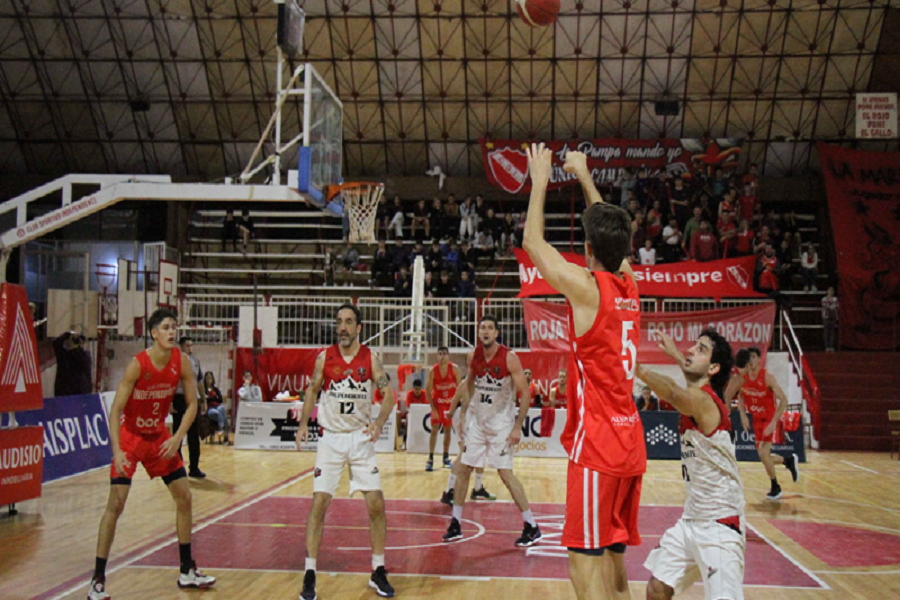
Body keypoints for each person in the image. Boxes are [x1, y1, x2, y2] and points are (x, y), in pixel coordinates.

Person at [523, 145, 643, 600]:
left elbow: (535, 245)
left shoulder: (590, 291)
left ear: (588, 249)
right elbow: (612, 233)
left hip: (598, 449)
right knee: (615, 565)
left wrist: (540, 181)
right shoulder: (629, 282)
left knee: (582, 568)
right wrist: (584, 175)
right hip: (629, 444)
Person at [88, 309, 215, 600]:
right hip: (131, 439)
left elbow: (193, 405)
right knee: (116, 504)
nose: (172, 332)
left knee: (184, 496)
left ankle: (187, 570)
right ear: (154, 333)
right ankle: (97, 579)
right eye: (166, 327)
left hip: (159, 438)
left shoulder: (181, 362)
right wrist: (117, 450)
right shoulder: (137, 365)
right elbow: (115, 410)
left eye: (174, 327)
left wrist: (177, 437)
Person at [291, 304, 396, 600]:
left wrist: (378, 422)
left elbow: (389, 394)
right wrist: (303, 424)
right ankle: (310, 574)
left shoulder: (370, 359)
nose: (343, 327)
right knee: (319, 503)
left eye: (349, 322)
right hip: (331, 439)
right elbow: (312, 390)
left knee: (376, 504)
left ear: (359, 327)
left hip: (360, 439)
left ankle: (378, 570)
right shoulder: (324, 358)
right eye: (340, 322)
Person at [639, 329, 746, 600]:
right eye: (693, 347)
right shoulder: (699, 390)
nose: (690, 351)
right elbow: (689, 381)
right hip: (691, 519)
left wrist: (637, 370)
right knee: (657, 589)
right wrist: (676, 354)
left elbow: (676, 393)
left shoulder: (707, 401)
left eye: (700, 349)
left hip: (720, 524)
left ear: (713, 367)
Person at [441, 315, 540, 546]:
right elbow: (469, 384)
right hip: (479, 422)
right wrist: (465, 413)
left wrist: (517, 426)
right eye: (482, 327)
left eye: (490, 328)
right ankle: (455, 523)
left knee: (505, 474)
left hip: (501, 424)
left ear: (496, 333)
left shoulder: (509, 358)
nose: (485, 331)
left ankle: (531, 525)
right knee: (463, 469)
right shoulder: (473, 355)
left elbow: (525, 393)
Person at [725, 347, 799, 500]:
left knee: (763, 453)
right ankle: (788, 460)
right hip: (756, 418)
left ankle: (775, 486)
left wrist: (774, 422)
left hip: (769, 418)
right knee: (763, 455)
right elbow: (741, 396)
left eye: (753, 357)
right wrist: (743, 416)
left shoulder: (767, 377)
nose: (751, 361)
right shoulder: (743, 378)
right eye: (749, 358)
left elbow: (784, 400)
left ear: (759, 359)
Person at [171, 337, 205, 479]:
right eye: (187, 345)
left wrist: (203, 400)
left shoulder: (195, 362)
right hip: (179, 397)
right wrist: (169, 402)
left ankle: (194, 467)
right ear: (181, 347)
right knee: (178, 433)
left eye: (191, 345)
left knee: (193, 435)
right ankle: (177, 468)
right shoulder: (175, 361)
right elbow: (170, 382)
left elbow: (200, 382)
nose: (190, 348)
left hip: (193, 399)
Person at [425, 347, 460, 472]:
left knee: (448, 431)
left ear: (448, 356)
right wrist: (433, 409)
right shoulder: (433, 371)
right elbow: (428, 391)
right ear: (437, 356)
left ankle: (445, 457)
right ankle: (430, 458)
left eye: (444, 354)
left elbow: (460, 388)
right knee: (434, 429)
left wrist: (457, 405)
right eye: (439, 354)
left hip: (449, 405)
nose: (442, 356)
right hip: (438, 404)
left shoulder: (454, 369)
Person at [53, 330, 93, 397]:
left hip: (77, 394)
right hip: (65, 393)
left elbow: (81, 359)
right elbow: (56, 345)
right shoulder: (64, 355)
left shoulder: (83, 356)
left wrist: (67, 338)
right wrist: (66, 335)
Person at [203, 372, 229, 444]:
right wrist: (214, 398)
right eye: (207, 378)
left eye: (210, 377)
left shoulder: (215, 389)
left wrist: (211, 398)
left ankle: (221, 428)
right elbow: (205, 400)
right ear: (205, 379)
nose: (209, 379)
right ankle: (224, 434)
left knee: (221, 409)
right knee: (222, 415)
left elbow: (220, 400)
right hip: (209, 409)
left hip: (217, 407)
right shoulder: (204, 389)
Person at [542, 370, 567, 439]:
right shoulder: (553, 391)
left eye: (563, 377)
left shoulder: (569, 391)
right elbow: (552, 408)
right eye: (560, 377)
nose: (562, 379)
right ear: (558, 378)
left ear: (566, 378)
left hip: (566, 417)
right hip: (556, 417)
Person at [822, 286, 839, 351]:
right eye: (829, 290)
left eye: (832, 291)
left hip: (833, 316)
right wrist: (830, 306)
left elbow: (836, 306)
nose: (830, 292)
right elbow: (825, 306)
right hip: (825, 316)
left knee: (832, 331)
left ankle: (831, 346)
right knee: (826, 331)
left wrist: (830, 306)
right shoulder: (823, 299)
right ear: (827, 291)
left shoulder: (835, 299)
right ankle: (826, 346)